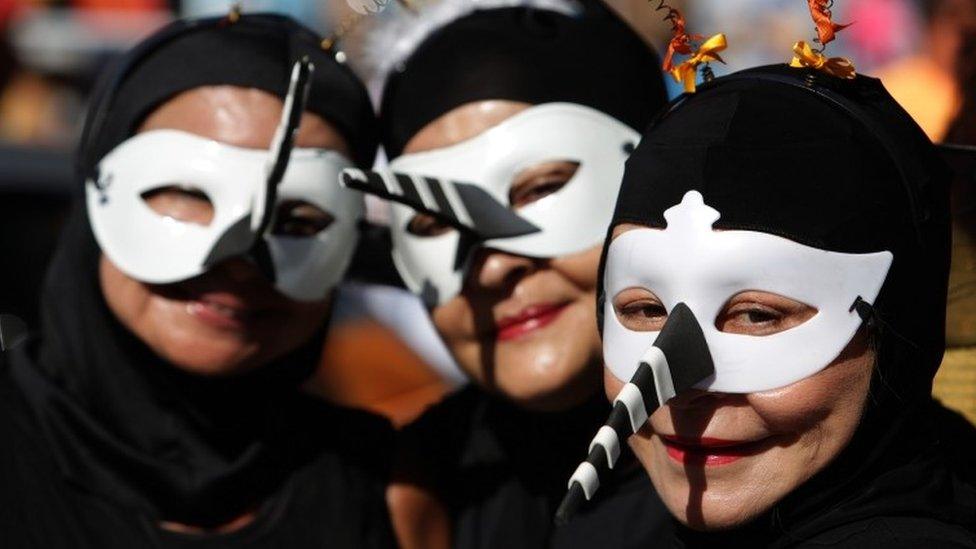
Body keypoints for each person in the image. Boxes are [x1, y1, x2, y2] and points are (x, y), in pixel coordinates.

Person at [0, 13, 395, 548]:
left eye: (300, 219)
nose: (238, 259)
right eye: (186, 192)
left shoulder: (398, 490)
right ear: (97, 184)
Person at [592, 61, 976, 547]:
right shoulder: (616, 526)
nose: (678, 388)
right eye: (644, 310)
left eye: (757, 315)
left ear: (897, 330)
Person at [349, 0, 672, 547]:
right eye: (431, 225)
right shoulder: (387, 497)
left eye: (542, 188)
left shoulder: (803, 469)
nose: (494, 266)